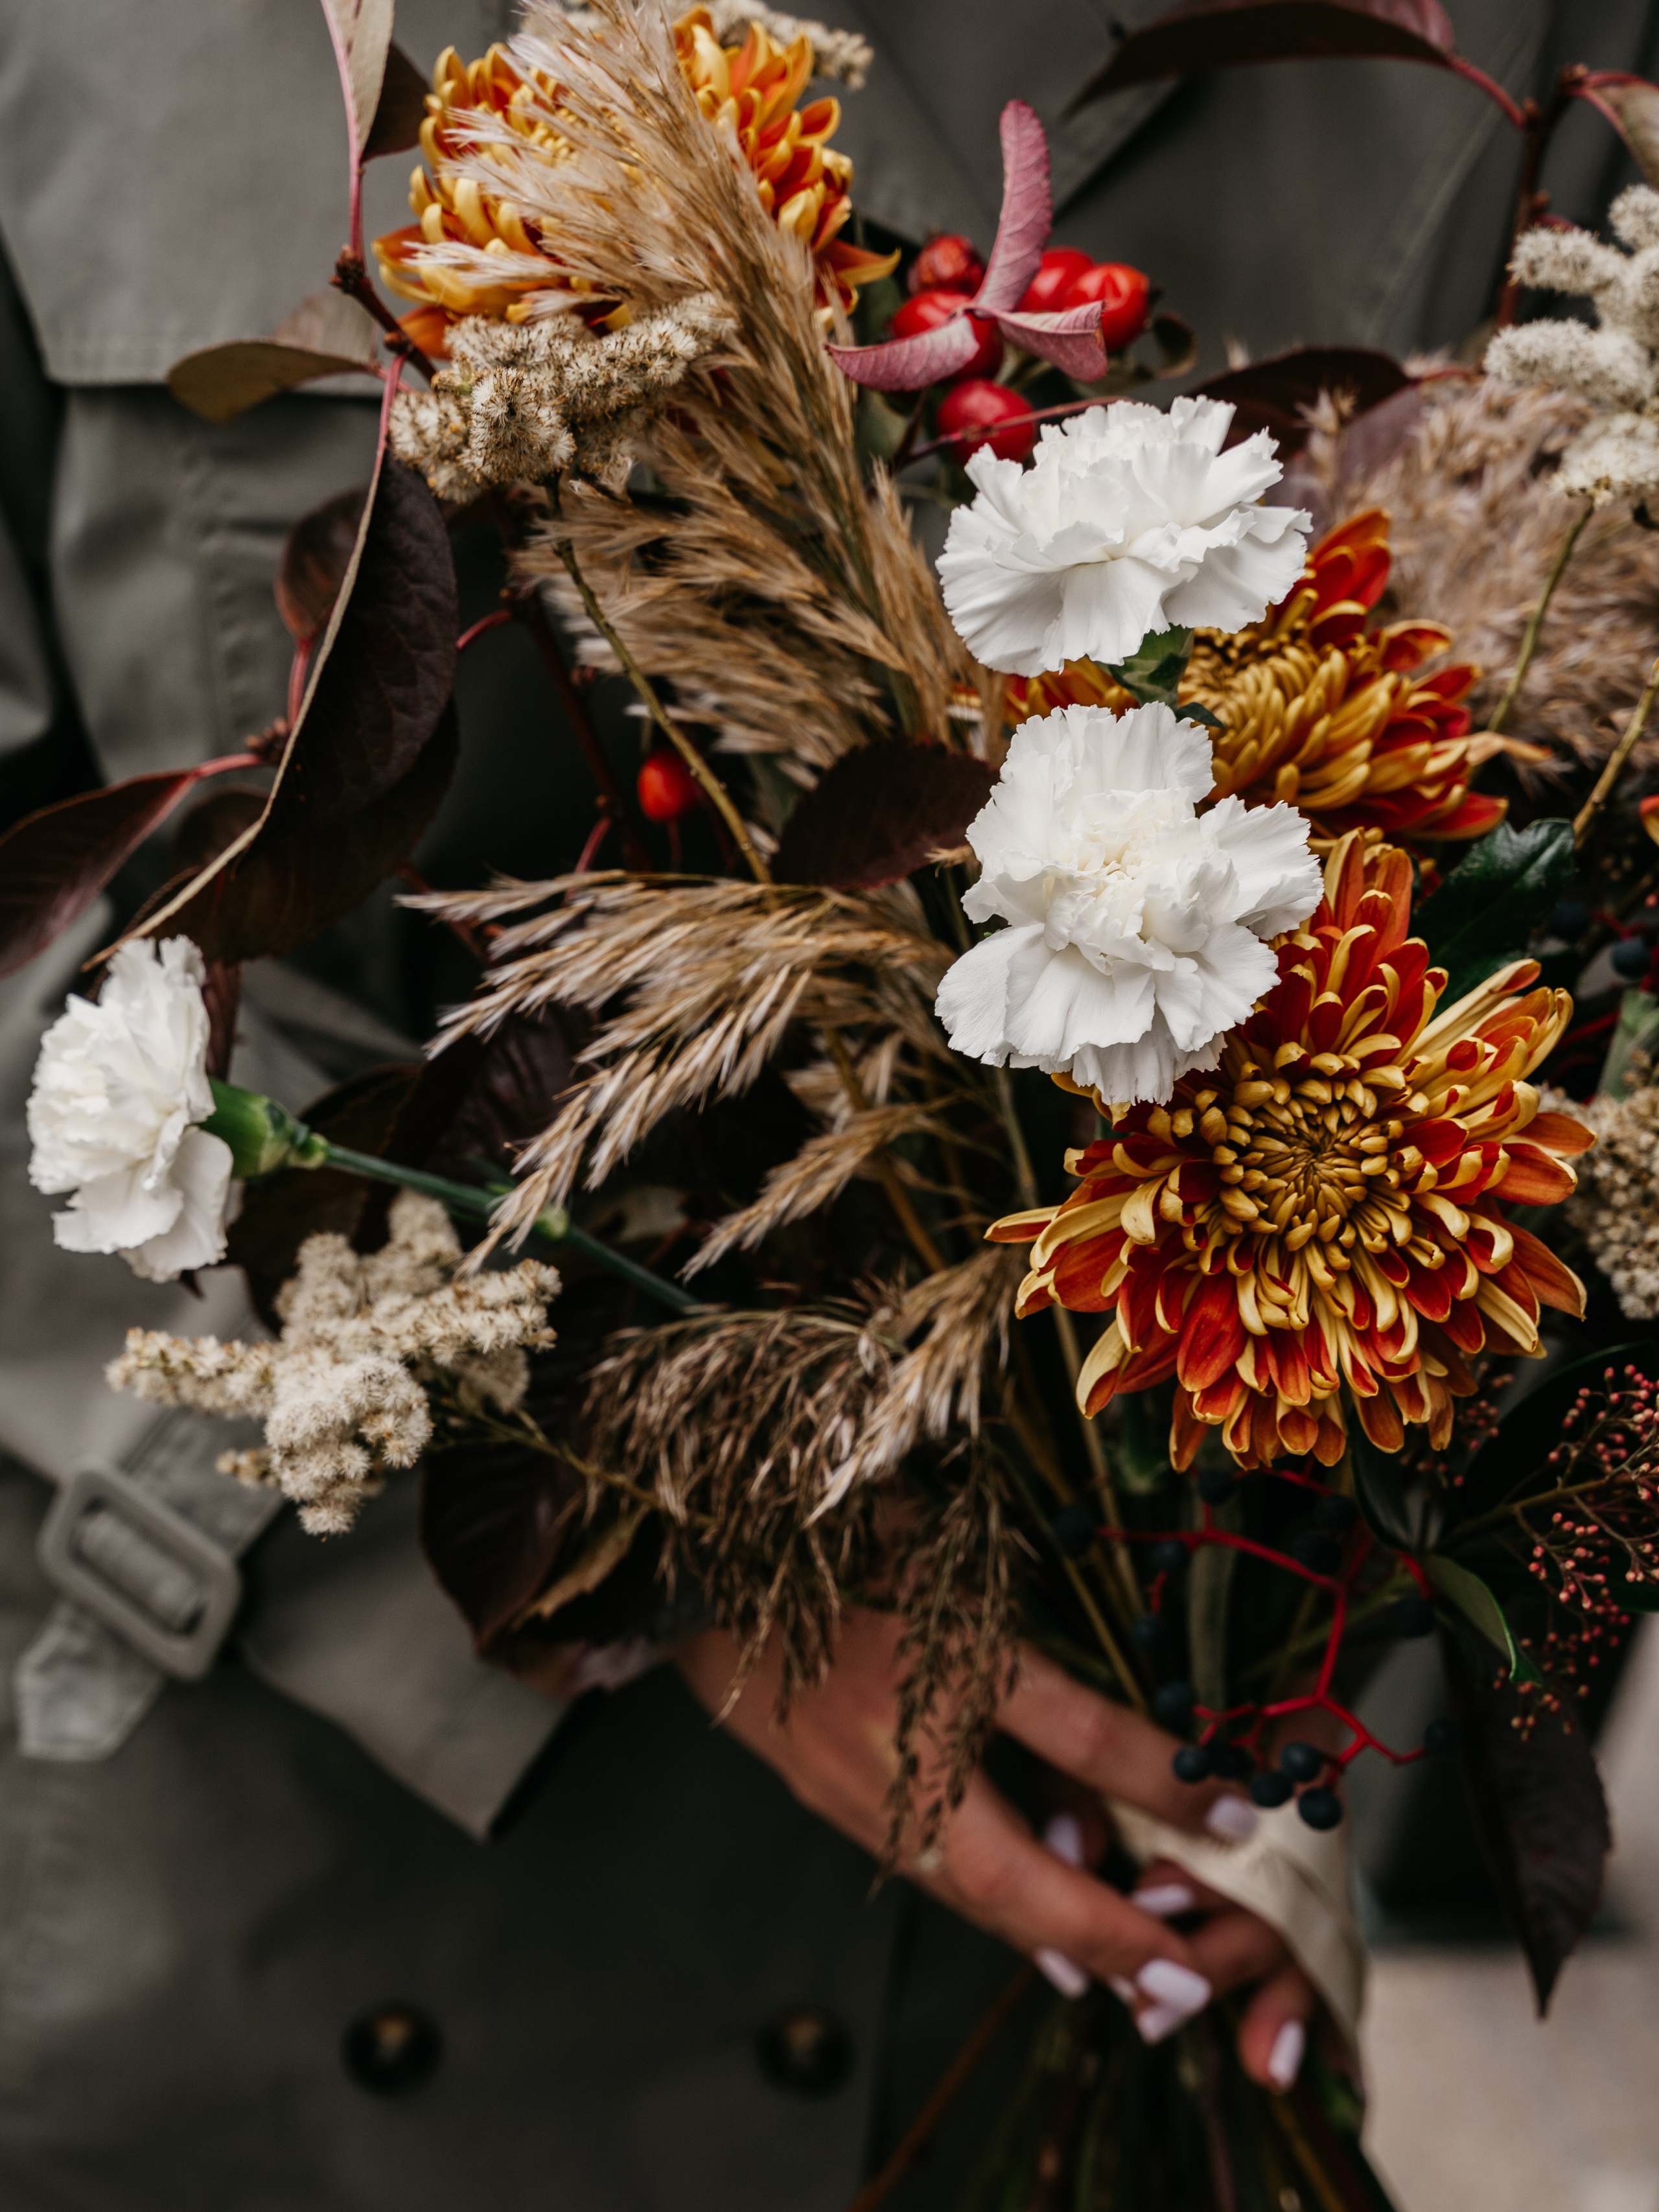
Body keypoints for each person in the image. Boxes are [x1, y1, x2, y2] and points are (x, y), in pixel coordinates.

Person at [0, 1, 1651, 2204]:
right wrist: (646, 1529)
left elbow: (1574, 936)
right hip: (321, 1870)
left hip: (1096, 1879)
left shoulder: (1513, 48)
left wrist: (1348, 1665)